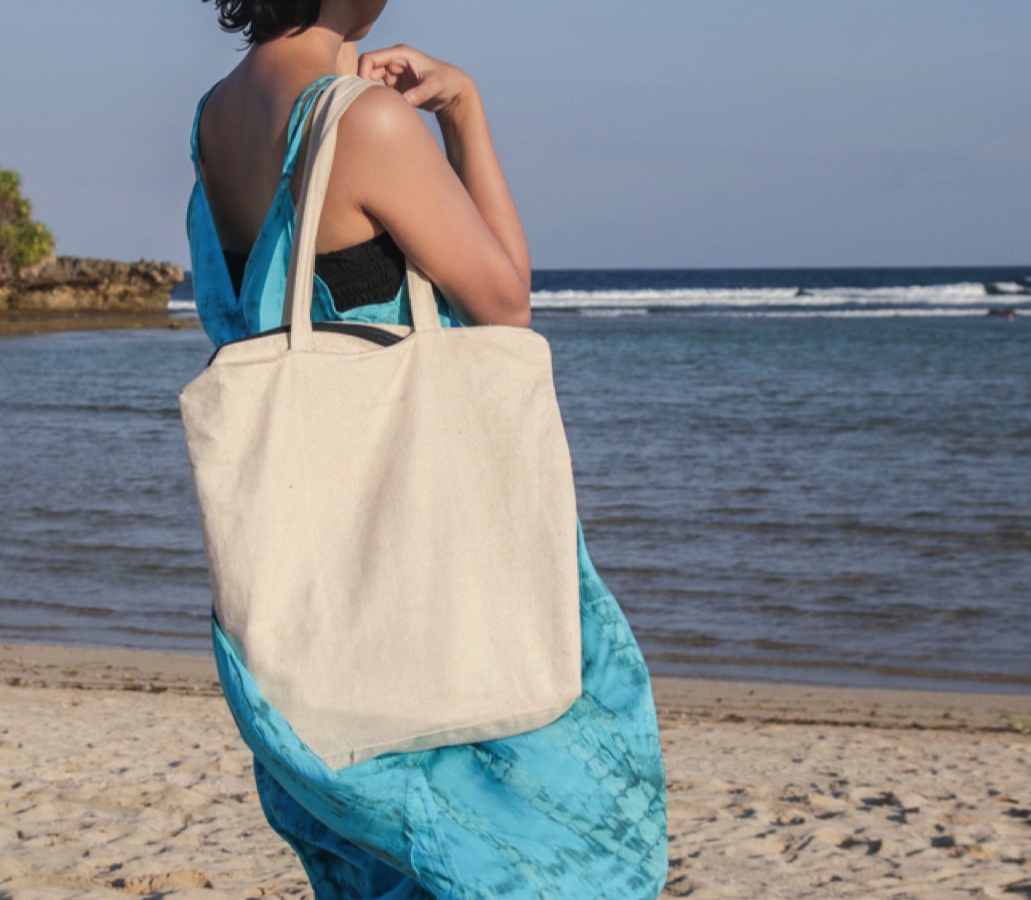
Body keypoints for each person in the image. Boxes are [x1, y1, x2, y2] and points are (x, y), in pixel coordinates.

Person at [187, 1, 668, 895]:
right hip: (432, 534)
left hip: (326, 546)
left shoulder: (217, 118)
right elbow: (504, 301)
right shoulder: (364, 121)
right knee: (563, 806)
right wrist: (465, 110)